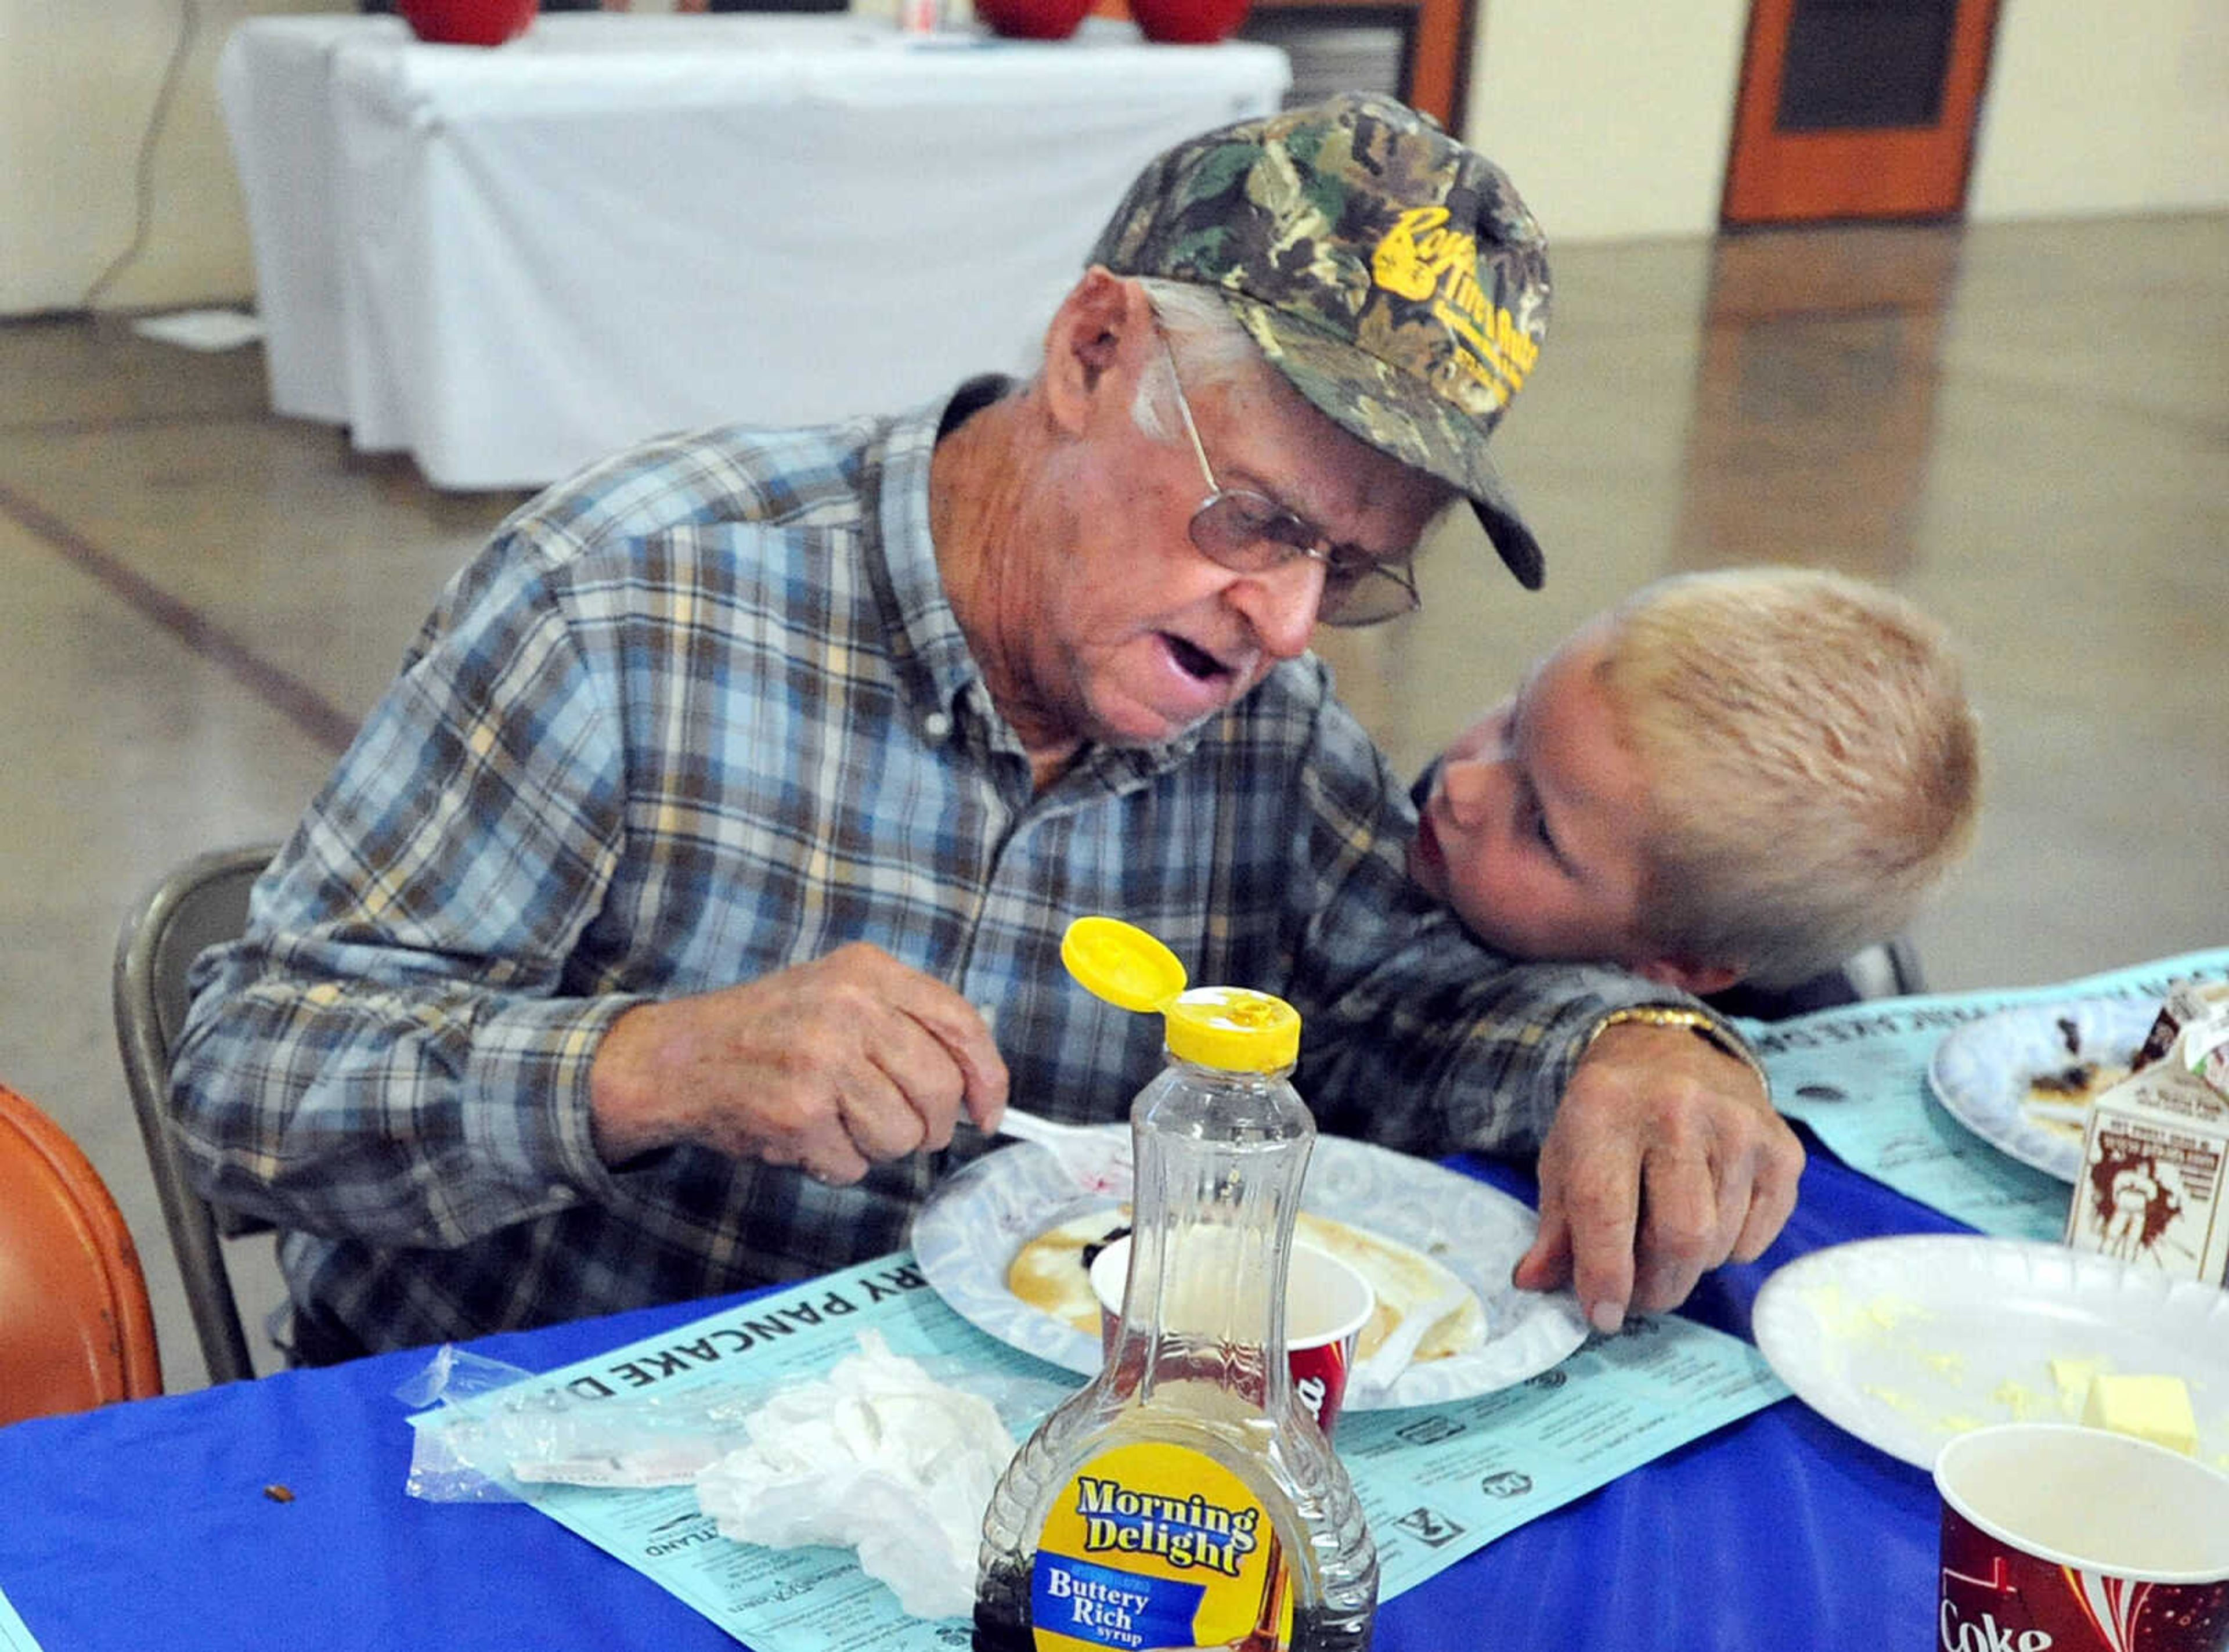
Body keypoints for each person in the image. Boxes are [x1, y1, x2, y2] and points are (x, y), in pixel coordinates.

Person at [173, 93, 1799, 1366]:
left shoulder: (1267, 730)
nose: (1289, 625)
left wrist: (1635, 1043)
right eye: (1257, 518)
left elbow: (1404, 1010)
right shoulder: (633, 602)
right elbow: (250, 1083)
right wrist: (646, 1061)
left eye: (1354, 570)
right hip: (520, 1431)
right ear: (1094, 352)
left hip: (981, 1452)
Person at [1405, 565, 1982, 1007]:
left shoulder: (1748, 1109)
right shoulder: (1447, 814)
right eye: (1514, 719)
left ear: (1678, 967)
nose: (1462, 780)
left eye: (1539, 828)